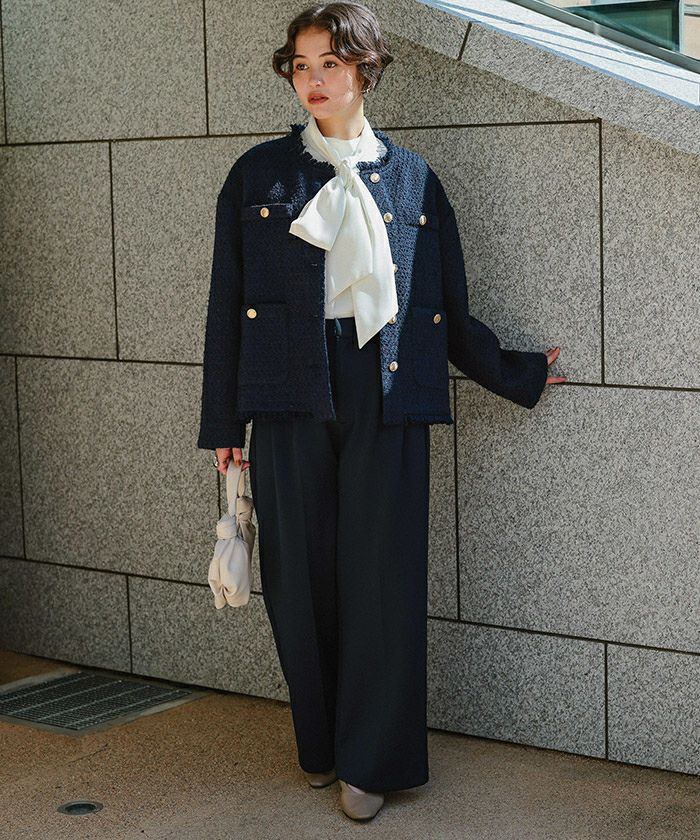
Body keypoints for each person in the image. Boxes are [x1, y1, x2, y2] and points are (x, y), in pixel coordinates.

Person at [197, 1, 566, 822]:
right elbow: (227, 305)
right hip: (287, 392)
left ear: (366, 69)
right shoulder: (258, 176)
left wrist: (516, 372)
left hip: (389, 388)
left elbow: (446, 308)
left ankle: (372, 762)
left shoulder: (414, 179)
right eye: (301, 65)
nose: (314, 80)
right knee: (298, 580)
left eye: (330, 63)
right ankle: (322, 743)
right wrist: (223, 425)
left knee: (383, 577)